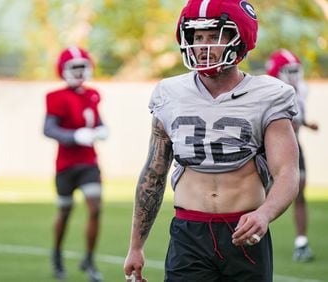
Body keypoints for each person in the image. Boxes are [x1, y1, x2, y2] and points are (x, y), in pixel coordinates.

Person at [123, 1, 299, 281]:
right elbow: (153, 174)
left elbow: (287, 171)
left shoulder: (269, 95)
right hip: (188, 232)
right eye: (196, 37)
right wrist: (136, 247)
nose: (202, 46)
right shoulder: (170, 94)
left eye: (213, 36)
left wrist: (264, 214)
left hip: (245, 230)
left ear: (239, 38)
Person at [43, 46, 109, 282]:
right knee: (65, 210)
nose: (80, 72)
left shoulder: (92, 94)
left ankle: (89, 258)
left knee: (95, 208)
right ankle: (57, 254)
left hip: (88, 162)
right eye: (75, 67)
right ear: (63, 70)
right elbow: (48, 129)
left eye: (83, 66)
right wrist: (73, 136)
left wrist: (101, 129)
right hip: (66, 164)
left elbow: (97, 120)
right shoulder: (56, 97)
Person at [266, 49, 319, 262]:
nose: (295, 75)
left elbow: (296, 116)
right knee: (259, 195)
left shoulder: (301, 90)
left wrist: (306, 123)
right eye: (289, 71)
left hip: (293, 147)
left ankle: (302, 243)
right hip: (267, 149)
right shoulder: (268, 90)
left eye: (296, 70)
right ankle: (243, 235)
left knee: (299, 192)